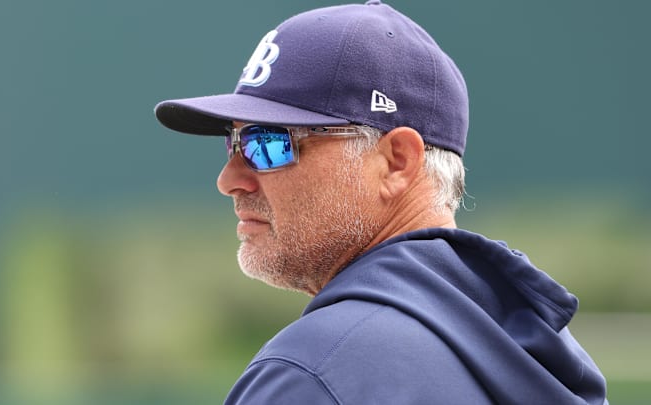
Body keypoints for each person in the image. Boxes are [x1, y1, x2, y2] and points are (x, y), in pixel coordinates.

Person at [154, 1, 608, 403]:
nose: (229, 179)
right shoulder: (538, 354)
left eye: (268, 144)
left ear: (395, 162)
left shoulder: (314, 371)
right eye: (233, 143)